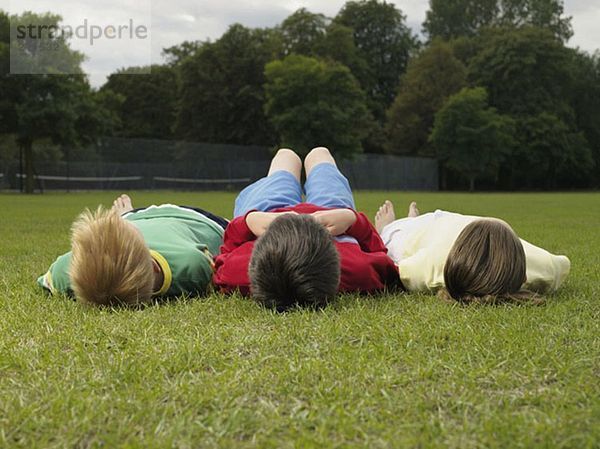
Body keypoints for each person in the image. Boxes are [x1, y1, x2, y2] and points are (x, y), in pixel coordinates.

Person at [213, 147, 399, 310]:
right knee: (319, 153)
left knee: (285, 156)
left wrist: (250, 221)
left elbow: (223, 256)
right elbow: (385, 260)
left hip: (267, 212)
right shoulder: (358, 271)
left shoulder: (238, 273)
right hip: (332, 212)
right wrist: (351, 219)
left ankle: (291, 156)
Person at [37, 194, 227, 307]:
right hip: (195, 219)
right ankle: (128, 216)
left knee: (127, 222)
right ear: (154, 267)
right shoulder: (191, 267)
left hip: (138, 217)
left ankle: (127, 214)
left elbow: (49, 278)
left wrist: (126, 219)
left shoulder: (65, 273)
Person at [374, 200, 571, 304]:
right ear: (523, 275)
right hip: (462, 225)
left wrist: (387, 231)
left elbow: (392, 264)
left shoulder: (432, 263)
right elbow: (562, 263)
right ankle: (411, 220)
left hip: (427, 231)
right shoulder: (543, 267)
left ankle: (400, 223)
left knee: (391, 237)